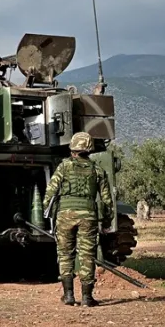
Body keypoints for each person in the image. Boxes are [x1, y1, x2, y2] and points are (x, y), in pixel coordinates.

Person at [43, 131, 113, 307]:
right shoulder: (97, 170)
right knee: (87, 255)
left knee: (65, 254)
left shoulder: (64, 167)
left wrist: (49, 213)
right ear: (89, 149)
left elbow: (50, 192)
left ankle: (68, 295)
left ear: (73, 149)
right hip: (88, 216)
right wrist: (106, 222)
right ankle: (87, 298)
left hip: (65, 216)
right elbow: (107, 201)